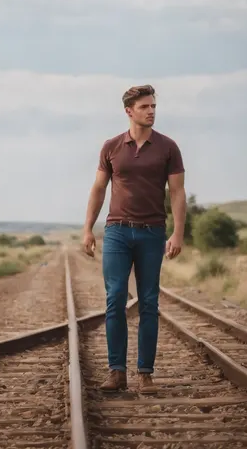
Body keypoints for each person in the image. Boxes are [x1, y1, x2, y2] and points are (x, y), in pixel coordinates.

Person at [82, 84, 186, 394]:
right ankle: (116, 372)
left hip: (152, 232)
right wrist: (88, 228)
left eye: (153, 106)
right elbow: (99, 188)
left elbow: (178, 192)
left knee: (149, 303)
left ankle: (145, 374)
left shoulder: (168, 147)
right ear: (129, 111)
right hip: (116, 231)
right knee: (114, 300)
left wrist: (178, 232)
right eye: (145, 107)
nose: (151, 111)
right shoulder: (111, 146)